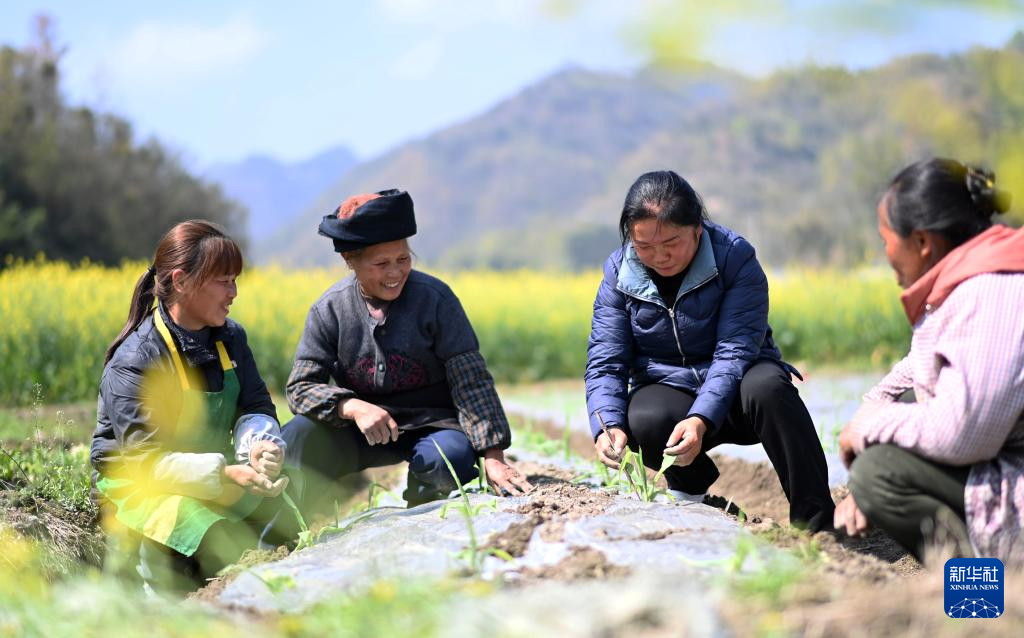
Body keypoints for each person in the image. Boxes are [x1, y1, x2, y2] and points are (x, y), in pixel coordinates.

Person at [586, 170, 834, 531]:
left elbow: (735, 351)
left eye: (670, 243)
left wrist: (701, 417)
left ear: (697, 230)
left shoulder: (734, 258)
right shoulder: (618, 274)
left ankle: (816, 521)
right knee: (642, 417)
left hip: (740, 390)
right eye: (644, 247)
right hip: (671, 388)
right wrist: (606, 424)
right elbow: (606, 362)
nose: (659, 257)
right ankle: (693, 491)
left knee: (770, 387)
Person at [282, 189, 531, 511]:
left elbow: (471, 380)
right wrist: (353, 407)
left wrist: (494, 457)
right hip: (359, 430)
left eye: (403, 259)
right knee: (297, 437)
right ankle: (288, 528)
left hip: (433, 425)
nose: (395, 272)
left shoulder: (435, 299)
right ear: (350, 260)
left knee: (447, 461)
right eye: (381, 263)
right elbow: (300, 389)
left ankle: (424, 509)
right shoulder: (329, 310)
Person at [835, 158, 1022, 563]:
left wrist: (867, 432)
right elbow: (917, 371)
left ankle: (983, 603)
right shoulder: (976, 278)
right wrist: (868, 416)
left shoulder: (993, 293)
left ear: (922, 243)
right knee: (900, 415)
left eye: (886, 240)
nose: (885, 254)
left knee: (880, 474)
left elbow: (965, 433)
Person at [91, 220, 290, 593]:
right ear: (181, 281)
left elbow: (256, 403)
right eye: (223, 281)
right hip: (141, 482)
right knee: (214, 534)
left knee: (294, 493)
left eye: (235, 280)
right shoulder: (137, 359)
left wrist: (259, 445)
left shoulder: (230, 338)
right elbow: (145, 461)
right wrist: (228, 474)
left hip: (214, 468)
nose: (233, 293)